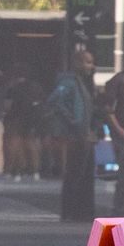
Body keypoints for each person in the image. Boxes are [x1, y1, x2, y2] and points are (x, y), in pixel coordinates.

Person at [44, 47, 96, 224]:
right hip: (74, 136)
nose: (91, 66)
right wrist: (73, 123)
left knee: (77, 173)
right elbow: (56, 101)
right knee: (74, 173)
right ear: (77, 63)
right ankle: (70, 211)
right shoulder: (69, 82)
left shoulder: (79, 83)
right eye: (87, 61)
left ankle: (74, 211)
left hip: (79, 134)